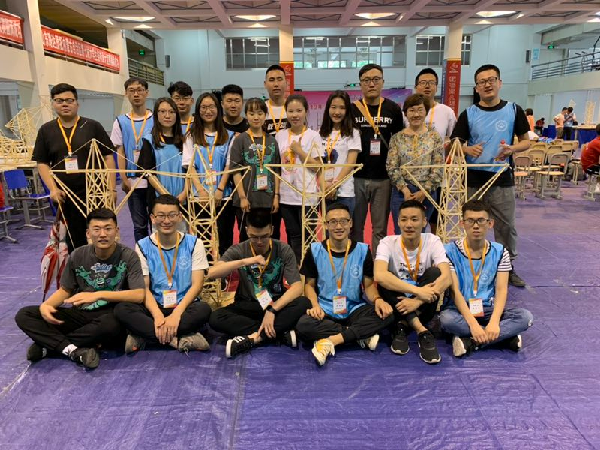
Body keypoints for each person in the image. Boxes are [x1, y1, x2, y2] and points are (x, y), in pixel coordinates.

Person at [14, 208, 145, 369]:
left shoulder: (129, 255)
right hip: (80, 314)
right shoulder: (77, 255)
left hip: (108, 316)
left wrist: (98, 295)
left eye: (108, 228)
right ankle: (73, 350)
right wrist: (47, 305)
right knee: (25, 314)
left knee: (112, 326)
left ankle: (51, 346)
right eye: (96, 229)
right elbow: (65, 290)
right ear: (88, 233)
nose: (102, 234)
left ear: (116, 231)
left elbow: (139, 295)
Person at [451, 64, 530, 288]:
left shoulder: (514, 110)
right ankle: (472, 264)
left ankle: (507, 267)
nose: (487, 84)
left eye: (491, 80)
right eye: (482, 82)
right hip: (473, 178)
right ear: (476, 87)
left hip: (501, 177)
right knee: (472, 224)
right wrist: (467, 149)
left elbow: (526, 142)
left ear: (499, 83)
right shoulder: (469, 113)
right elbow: (455, 143)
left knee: (506, 225)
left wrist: (512, 149)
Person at [296, 203, 394, 366]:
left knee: (388, 314)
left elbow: (369, 286)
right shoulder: (314, 250)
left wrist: (378, 300)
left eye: (343, 221)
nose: (339, 226)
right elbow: (309, 286)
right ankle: (357, 335)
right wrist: (315, 305)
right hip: (325, 309)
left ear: (351, 223)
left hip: (354, 308)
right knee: (303, 325)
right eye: (333, 222)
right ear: (326, 225)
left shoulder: (363, 250)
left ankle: (332, 340)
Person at [114, 194, 212, 353]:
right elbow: (144, 288)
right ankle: (178, 339)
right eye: (161, 216)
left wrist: (176, 314)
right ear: (153, 218)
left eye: (172, 215)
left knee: (204, 310)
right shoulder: (142, 246)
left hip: (184, 306)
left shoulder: (195, 243)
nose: (166, 221)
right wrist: (158, 316)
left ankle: (146, 336)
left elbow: (197, 285)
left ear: (180, 217)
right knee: (122, 309)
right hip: (155, 306)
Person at [207, 208, 311, 358]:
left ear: (272, 230)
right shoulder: (239, 249)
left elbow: (297, 287)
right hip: (247, 304)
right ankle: (279, 331)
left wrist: (272, 310)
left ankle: (255, 338)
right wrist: (245, 261)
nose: (260, 242)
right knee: (215, 318)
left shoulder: (283, 249)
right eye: (254, 237)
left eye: (264, 236)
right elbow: (212, 273)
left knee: (304, 303)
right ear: (247, 231)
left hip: (276, 303)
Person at [440, 200, 533, 357]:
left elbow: (501, 290)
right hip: (459, 310)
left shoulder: (500, 251)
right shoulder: (448, 251)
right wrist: (473, 325)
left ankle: (471, 343)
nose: (476, 226)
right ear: (462, 223)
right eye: (470, 221)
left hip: (487, 309)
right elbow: (455, 292)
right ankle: (504, 338)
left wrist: (494, 322)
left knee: (525, 317)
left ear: (490, 223)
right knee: (446, 319)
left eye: (481, 221)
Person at [33, 83, 116, 253]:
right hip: (65, 195)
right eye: (59, 100)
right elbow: (42, 162)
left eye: (69, 100)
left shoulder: (92, 126)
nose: (65, 104)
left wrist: (111, 188)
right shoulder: (46, 130)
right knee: (73, 239)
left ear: (77, 103)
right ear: (53, 104)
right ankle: (78, 268)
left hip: (95, 192)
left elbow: (108, 157)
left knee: (101, 234)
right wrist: (53, 189)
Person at [374, 200, 451, 364]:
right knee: (386, 278)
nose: (408, 224)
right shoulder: (387, 242)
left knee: (435, 273)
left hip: (424, 307)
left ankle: (402, 325)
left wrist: (417, 301)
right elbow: (379, 275)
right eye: (404, 219)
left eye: (414, 219)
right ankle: (420, 329)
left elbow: (447, 277)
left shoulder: (433, 241)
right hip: (397, 303)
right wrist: (418, 291)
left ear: (424, 221)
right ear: (398, 222)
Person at [351, 63, 404, 252]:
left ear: (383, 82)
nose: (371, 84)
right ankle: (358, 262)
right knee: (355, 227)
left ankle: (376, 263)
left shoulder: (393, 109)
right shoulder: (353, 109)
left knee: (379, 228)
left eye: (375, 79)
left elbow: (399, 142)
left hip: (383, 178)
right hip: (356, 176)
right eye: (366, 80)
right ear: (360, 84)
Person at [184, 93, 235, 256]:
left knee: (225, 238)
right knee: (202, 240)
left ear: (218, 109)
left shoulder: (229, 135)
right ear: (198, 110)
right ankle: (204, 270)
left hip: (223, 196)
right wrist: (201, 191)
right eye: (204, 107)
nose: (208, 111)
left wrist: (220, 189)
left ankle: (225, 270)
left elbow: (229, 165)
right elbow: (189, 165)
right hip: (199, 197)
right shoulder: (191, 135)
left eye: (211, 106)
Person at [275, 94, 324, 263]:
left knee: (309, 236)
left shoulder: (313, 135)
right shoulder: (280, 135)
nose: (294, 115)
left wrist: (300, 151)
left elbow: (317, 166)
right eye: (290, 111)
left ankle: (310, 271)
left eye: (299, 111)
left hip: (308, 196)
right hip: (286, 195)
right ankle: (296, 270)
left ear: (306, 112)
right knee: (293, 235)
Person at [388, 94, 444, 235]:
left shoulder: (434, 137)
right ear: (406, 113)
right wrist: (405, 190)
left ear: (426, 112)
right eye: (412, 110)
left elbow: (438, 167)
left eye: (420, 110)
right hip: (402, 192)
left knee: (421, 232)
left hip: (427, 192)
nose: (416, 114)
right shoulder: (397, 138)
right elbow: (392, 166)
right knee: (401, 232)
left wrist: (424, 192)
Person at [229, 98, 280, 243]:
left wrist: (276, 196)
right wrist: (242, 197)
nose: (256, 117)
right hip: (247, 200)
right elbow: (236, 171)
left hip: (268, 199)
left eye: (260, 113)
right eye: (252, 114)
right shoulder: (240, 140)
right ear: (246, 115)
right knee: (246, 239)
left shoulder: (272, 140)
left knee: (270, 238)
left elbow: (276, 170)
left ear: (265, 115)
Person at [413, 68, 456, 235]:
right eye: (423, 83)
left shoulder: (446, 112)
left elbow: (454, 140)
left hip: (437, 176)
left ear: (437, 87)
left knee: (436, 220)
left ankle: (435, 249)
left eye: (431, 83)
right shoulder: (408, 111)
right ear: (416, 86)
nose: (427, 86)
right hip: (412, 176)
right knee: (413, 220)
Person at [112, 77, 154, 243]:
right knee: (139, 225)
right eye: (132, 90)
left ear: (146, 93)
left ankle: (157, 255)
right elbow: (120, 151)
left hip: (153, 180)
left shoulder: (156, 119)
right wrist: (123, 178)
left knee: (157, 222)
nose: (136, 94)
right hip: (132, 182)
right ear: (126, 94)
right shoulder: (120, 122)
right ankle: (142, 255)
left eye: (140, 90)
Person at [137, 98, 187, 215]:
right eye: (162, 111)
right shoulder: (149, 140)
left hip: (183, 199)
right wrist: (167, 197)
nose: (167, 116)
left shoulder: (185, 140)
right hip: (158, 199)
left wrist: (184, 193)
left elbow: (190, 170)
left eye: (171, 112)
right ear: (156, 115)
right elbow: (148, 173)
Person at [319, 90, 361, 216]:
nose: (337, 112)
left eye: (342, 108)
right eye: (333, 107)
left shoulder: (353, 133)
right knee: (326, 227)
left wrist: (335, 185)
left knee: (344, 227)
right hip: (324, 191)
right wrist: (325, 186)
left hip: (344, 192)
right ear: (328, 109)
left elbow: (351, 163)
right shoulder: (320, 133)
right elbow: (318, 164)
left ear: (347, 111)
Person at [264, 64, 289, 136]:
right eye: (271, 80)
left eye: (279, 79)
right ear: (265, 84)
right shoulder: (261, 109)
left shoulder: (294, 109)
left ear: (286, 83)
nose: (276, 84)